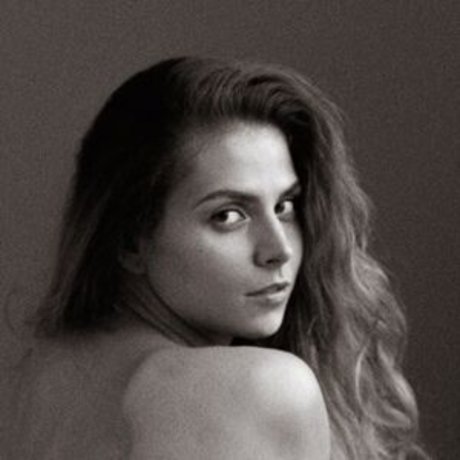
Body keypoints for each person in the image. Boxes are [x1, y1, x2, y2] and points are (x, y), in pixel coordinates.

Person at [1, 56, 429, 459]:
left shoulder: (49, 376)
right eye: (228, 216)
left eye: (284, 206)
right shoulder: (257, 388)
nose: (279, 249)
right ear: (131, 241)